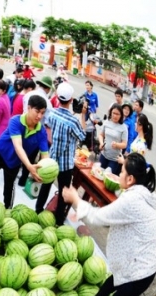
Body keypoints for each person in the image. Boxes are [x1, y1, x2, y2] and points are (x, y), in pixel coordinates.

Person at [63, 153, 156, 296]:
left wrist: (75, 199)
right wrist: (125, 161)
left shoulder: (132, 200)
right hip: (134, 262)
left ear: (130, 179)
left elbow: (96, 217)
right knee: (107, 286)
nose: (119, 174)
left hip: (140, 273)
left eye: (121, 171)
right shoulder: (142, 193)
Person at [0, 95, 49, 208]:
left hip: (14, 162)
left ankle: (8, 207)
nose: (39, 116)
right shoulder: (16, 121)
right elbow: (18, 146)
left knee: (9, 186)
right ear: (28, 108)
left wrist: (45, 170)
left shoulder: (41, 132)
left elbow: (45, 155)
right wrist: (29, 166)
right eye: (37, 111)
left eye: (42, 113)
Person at [35, 82, 86, 225]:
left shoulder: (52, 113)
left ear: (57, 97)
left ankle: (38, 210)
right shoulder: (73, 121)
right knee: (64, 192)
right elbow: (82, 136)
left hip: (51, 159)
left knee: (46, 185)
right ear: (71, 100)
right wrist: (83, 115)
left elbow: (49, 127)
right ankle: (58, 220)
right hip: (65, 163)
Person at [98, 104, 128, 175]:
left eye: (117, 114)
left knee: (107, 178)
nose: (115, 116)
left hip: (115, 159)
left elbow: (124, 144)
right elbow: (101, 135)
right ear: (110, 112)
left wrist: (117, 145)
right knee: (98, 174)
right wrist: (101, 143)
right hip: (104, 154)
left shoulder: (123, 127)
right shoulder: (106, 122)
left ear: (121, 115)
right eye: (114, 113)